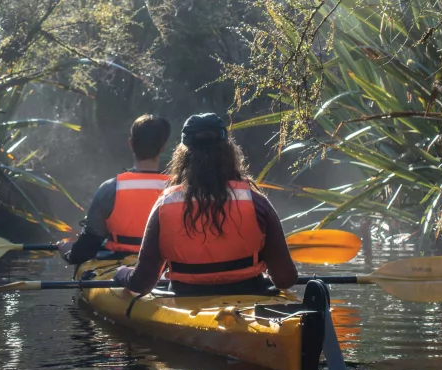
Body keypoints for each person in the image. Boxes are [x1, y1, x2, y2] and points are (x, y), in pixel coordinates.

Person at [113, 113, 298, 296]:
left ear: (183, 156)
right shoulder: (257, 202)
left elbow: (142, 282)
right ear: (228, 151)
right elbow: (285, 279)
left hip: (186, 297)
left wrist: (120, 273)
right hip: (249, 295)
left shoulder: (165, 205)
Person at [61, 114, 171, 265]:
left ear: (131, 144)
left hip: (116, 263)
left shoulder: (110, 189)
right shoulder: (176, 190)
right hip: (162, 266)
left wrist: (69, 253)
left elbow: (90, 242)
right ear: (163, 147)